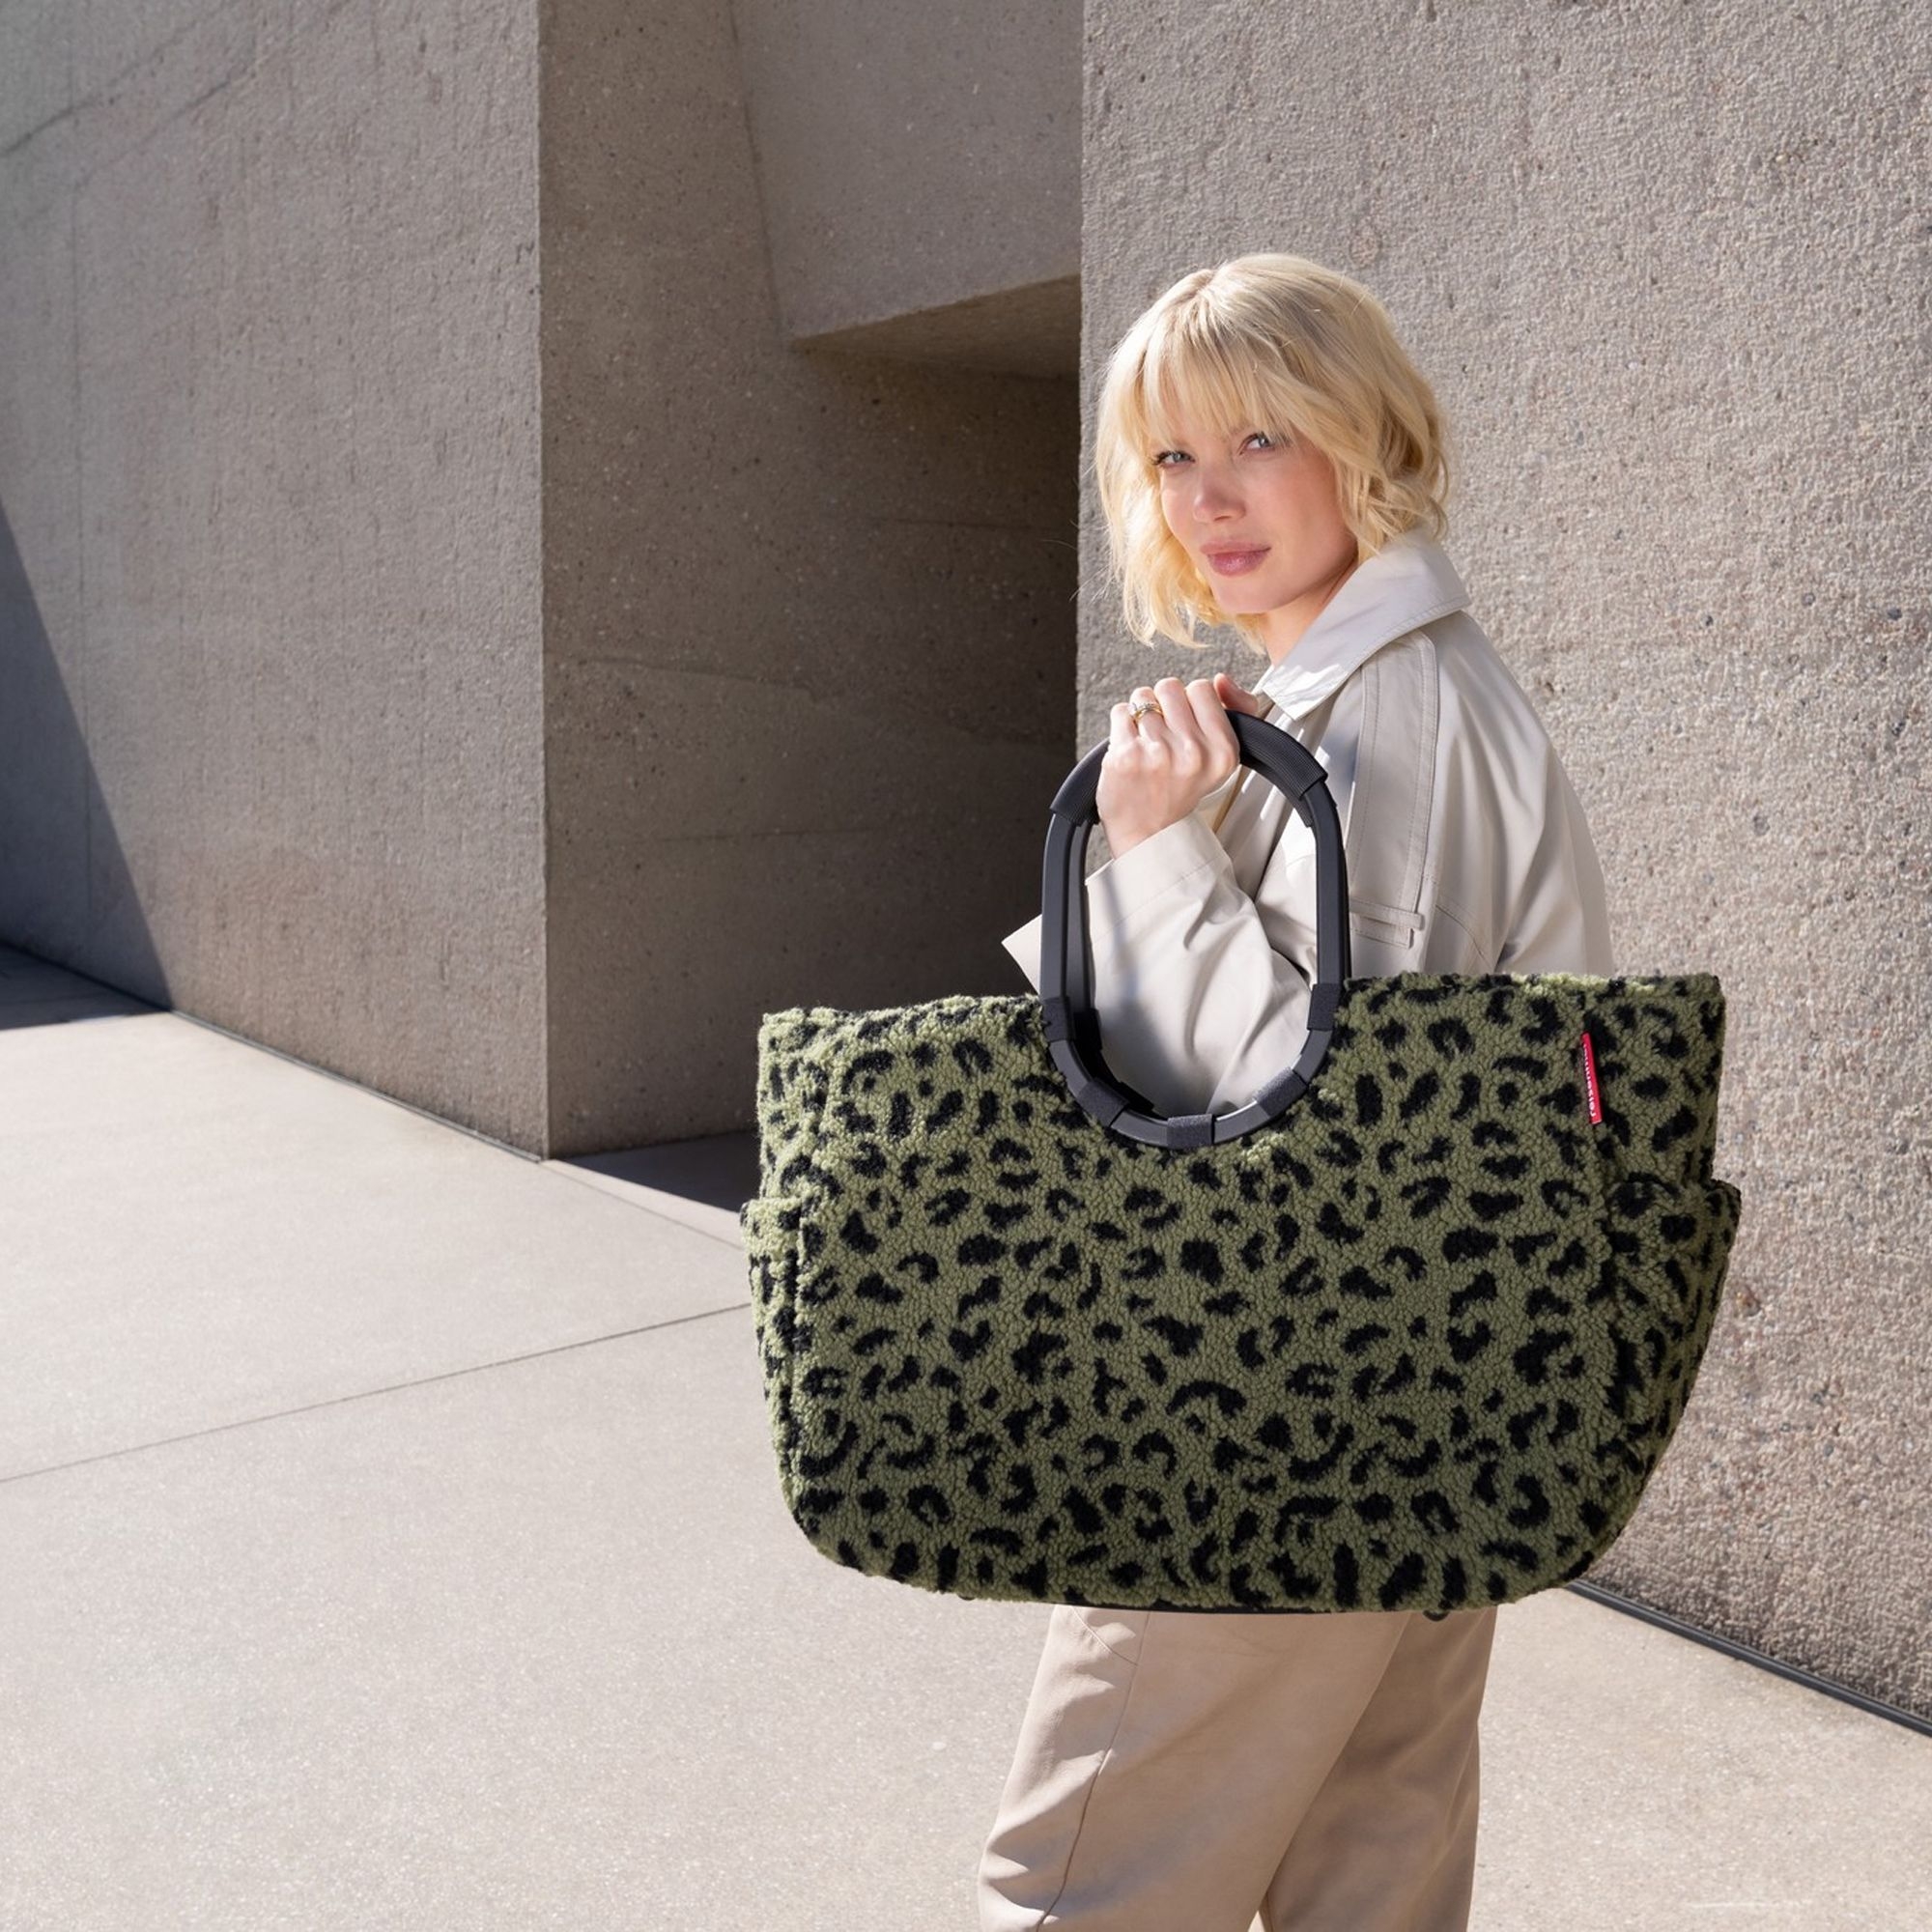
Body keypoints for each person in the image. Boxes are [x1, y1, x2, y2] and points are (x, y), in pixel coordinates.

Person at [978, 254, 1614, 1932]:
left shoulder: (1385, 721)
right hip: (1408, 1397)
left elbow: (1306, 1140)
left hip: (1266, 1408)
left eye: (1259, 436)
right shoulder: (1369, 693)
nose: (1209, 498)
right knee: (1367, 1877)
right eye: (1173, 458)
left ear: (1365, 436)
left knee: (1086, 1883)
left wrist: (1151, 846)